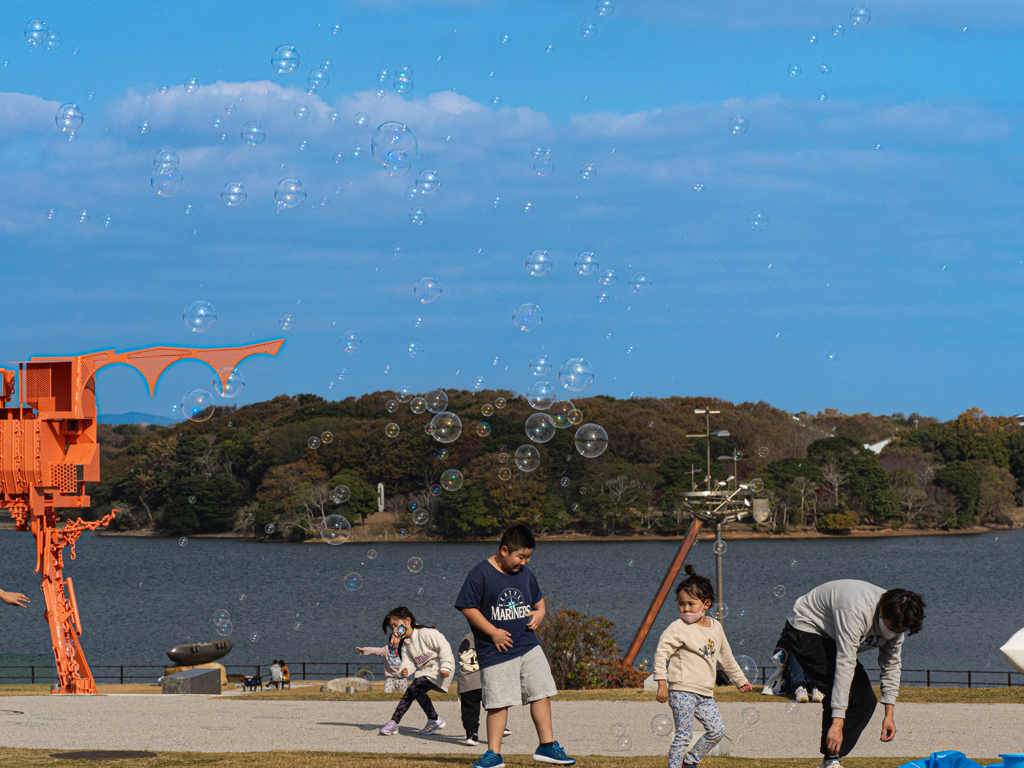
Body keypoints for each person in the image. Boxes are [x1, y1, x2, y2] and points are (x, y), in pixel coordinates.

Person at [455, 523, 575, 768]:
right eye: (521, 556)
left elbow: (538, 602)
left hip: (529, 645)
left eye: (529, 557)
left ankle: (547, 747)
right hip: (496, 650)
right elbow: (468, 607)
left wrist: (540, 613)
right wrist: (493, 632)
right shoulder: (480, 573)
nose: (525, 562)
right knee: (498, 702)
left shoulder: (525, 574)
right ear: (504, 550)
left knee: (541, 693)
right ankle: (493, 754)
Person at [772, 580, 926, 768]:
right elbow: (845, 664)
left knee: (865, 700)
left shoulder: (899, 618)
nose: (893, 634)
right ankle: (831, 760)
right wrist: (837, 723)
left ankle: (832, 757)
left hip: (833, 634)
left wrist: (889, 713)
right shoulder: (856, 609)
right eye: (891, 628)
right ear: (881, 611)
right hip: (806, 626)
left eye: (899, 631)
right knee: (837, 688)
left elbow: (892, 666)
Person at [653, 565, 752, 767]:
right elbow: (661, 653)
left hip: (705, 693)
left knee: (717, 730)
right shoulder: (677, 628)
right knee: (683, 736)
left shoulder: (716, 627)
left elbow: (726, 658)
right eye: (681, 604)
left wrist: (740, 680)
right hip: (682, 691)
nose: (686, 609)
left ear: (706, 604)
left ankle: (690, 761)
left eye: (691, 604)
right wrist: (662, 683)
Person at [377, 606, 455, 736]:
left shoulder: (426, 633)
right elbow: (408, 662)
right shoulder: (406, 643)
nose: (394, 630)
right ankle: (431, 720)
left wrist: (445, 666)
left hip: (440, 669)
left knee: (414, 688)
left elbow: (444, 647)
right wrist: (405, 669)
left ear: (407, 621)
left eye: (396, 625)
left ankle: (395, 722)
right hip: (427, 672)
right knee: (414, 691)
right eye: (392, 628)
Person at [457, 630, 511, 746]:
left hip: (467, 682)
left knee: (469, 710)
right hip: (486, 680)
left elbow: (461, 656)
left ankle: (472, 734)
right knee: (495, 706)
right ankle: (500, 727)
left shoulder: (467, 637)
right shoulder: (493, 636)